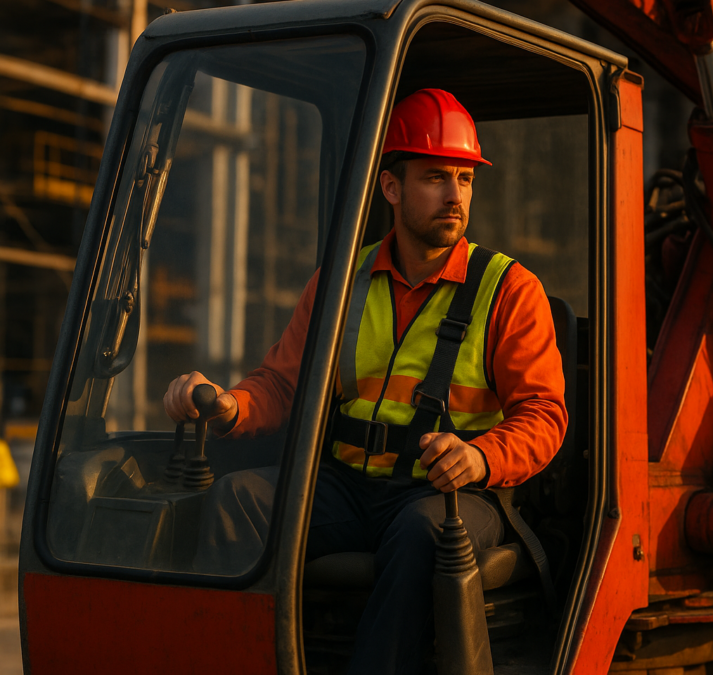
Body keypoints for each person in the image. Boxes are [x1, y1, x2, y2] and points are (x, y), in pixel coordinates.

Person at [162, 88, 567, 674]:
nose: (455, 196)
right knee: (237, 502)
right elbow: (280, 385)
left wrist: (478, 458)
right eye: (436, 177)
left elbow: (544, 416)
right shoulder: (341, 282)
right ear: (391, 187)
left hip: (453, 494)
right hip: (348, 487)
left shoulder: (509, 290)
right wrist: (230, 406)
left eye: (464, 178)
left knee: (421, 535)